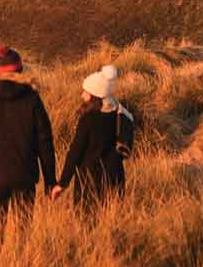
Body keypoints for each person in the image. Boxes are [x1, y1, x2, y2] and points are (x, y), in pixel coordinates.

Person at [0, 47, 56, 223]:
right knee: (23, 228)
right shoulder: (32, 99)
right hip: (24, 174)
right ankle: (20, 252)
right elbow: (45, 142)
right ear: (20, 70)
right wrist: (50, 180)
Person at [53, 65, 139, 203]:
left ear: (95, 96)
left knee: (87, 223)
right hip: (115, 179)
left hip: (89, 182)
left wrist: (62, 183)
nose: (82, 95)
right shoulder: (121, 114)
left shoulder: (88, 120)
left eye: (86, 92)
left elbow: (75, 152)